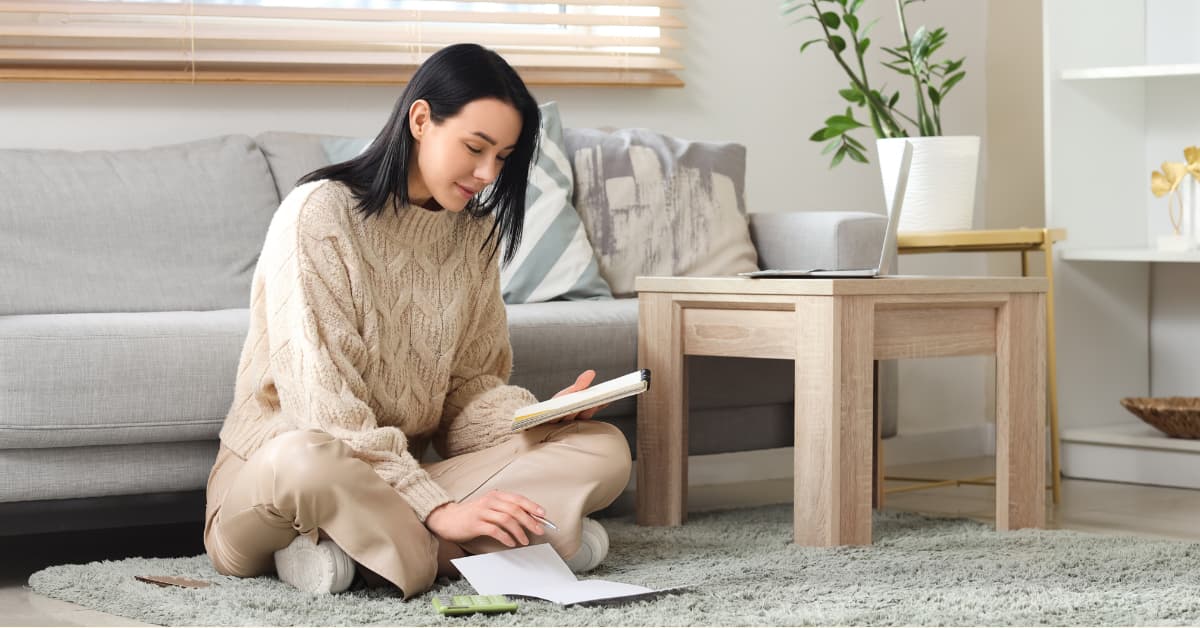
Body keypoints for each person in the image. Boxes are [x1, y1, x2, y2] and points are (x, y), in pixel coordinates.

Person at [203, 43, 632, 598]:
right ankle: (515, 545)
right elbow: (323, 411)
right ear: (422, 120)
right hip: (292, 475)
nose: (486, 173)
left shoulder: (474, 234)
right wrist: (439, 509)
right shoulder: (318, 214)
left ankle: (359, 555)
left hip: (395, 480)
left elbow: (468, 392)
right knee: (308, 459)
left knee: (601, 446)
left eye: (501, 157)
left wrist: (535, 419)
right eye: (475, 148)